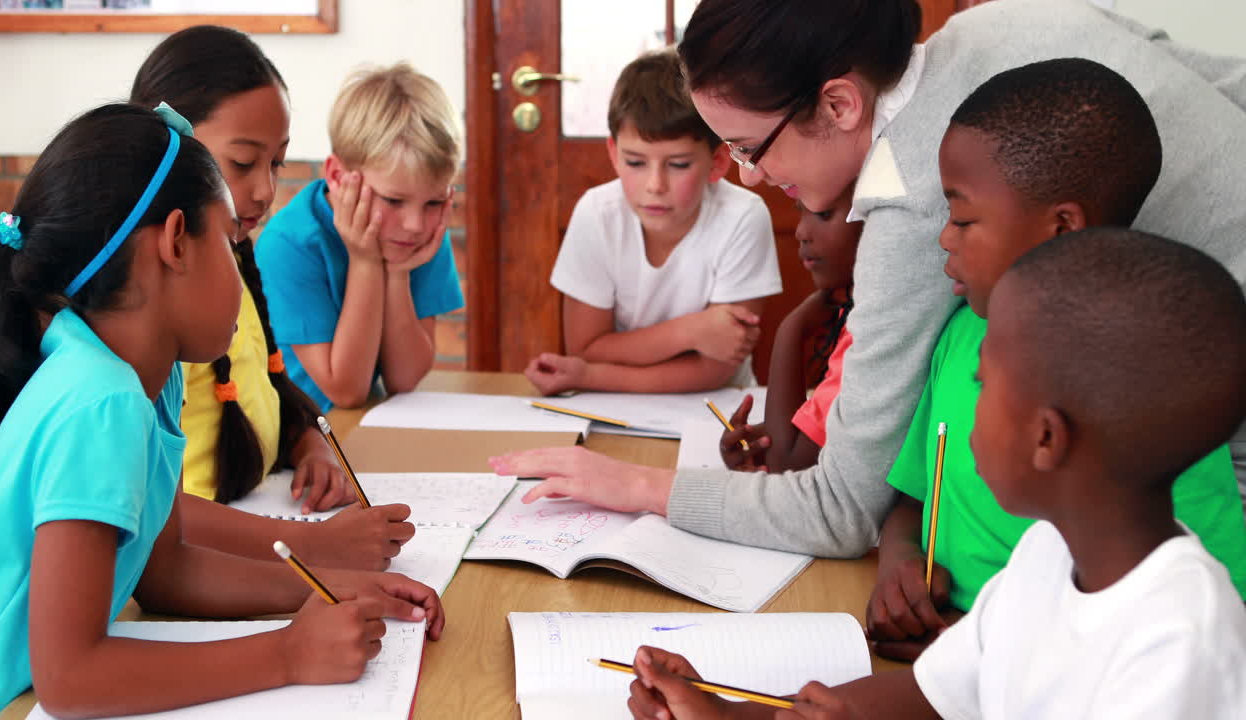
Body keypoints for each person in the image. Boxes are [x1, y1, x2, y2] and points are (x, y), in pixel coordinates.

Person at [491, 0, 1246, 556]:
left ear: (840, 103)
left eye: (750, 148)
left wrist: (635, 486)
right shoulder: (996, 23)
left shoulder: (918, 204)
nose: (749, 177)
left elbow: (839, 510)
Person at [625, 228, 1246, 720]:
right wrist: (737, 714)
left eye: (983, 385)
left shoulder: (1178, 640)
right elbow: (935, 695)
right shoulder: (1048, 556)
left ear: (1046, 438)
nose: (968, 407)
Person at [0, 104, 443, 720]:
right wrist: (288, 654)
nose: (241, 274)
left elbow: (166, 570)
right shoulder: (101, 400)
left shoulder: (151, 378)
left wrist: (330, 582)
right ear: (175, 243)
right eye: (228, 240)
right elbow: (70, 678)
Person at [866, 58, 1246, 662]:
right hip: (942, 662)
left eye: (962, 218)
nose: (943, 237)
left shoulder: (1149, 378)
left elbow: (1206, 617)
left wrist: (982, 661)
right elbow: (914, 500)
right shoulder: (959, 336)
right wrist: (899, 566)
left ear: (1062, 226)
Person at [130, 25, 416, 572]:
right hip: (201, 558)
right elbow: (148, 512)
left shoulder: (234, 258)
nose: (265, 190)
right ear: (166, 150)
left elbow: (262, 388)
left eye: (277, 163)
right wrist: (313, 545)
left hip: (258, 515)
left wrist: (308, 444)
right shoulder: (138, 300)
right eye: (243, 163)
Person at [525, 47, 780, 395]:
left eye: (678, 165)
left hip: (718, 402)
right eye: (635, 162)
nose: (655, 185)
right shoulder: (596, 214)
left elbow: (716, 369)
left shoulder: (743, 217)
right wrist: (691, 331)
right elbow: (585, 349)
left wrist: (590, 374)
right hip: (611, 399)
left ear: (718, 162)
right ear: (614, 154)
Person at [255, 63, 465, 412]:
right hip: (296, 429)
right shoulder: (289, 244)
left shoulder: (415, 236)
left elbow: (404, 380)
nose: (414, 223)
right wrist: (365, 262)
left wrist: (397, 273)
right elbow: (346, 390)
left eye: (434, 202)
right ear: (338, 176)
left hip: (363, 423)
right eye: (393, 200)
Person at [718, 187, 860, 472]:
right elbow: (795, 449)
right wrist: (764, 444)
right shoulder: (852, 315)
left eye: (823, 215)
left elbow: (787, 463)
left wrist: (791, 330)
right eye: (801, 213)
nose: (800, 232)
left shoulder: (867, 333)